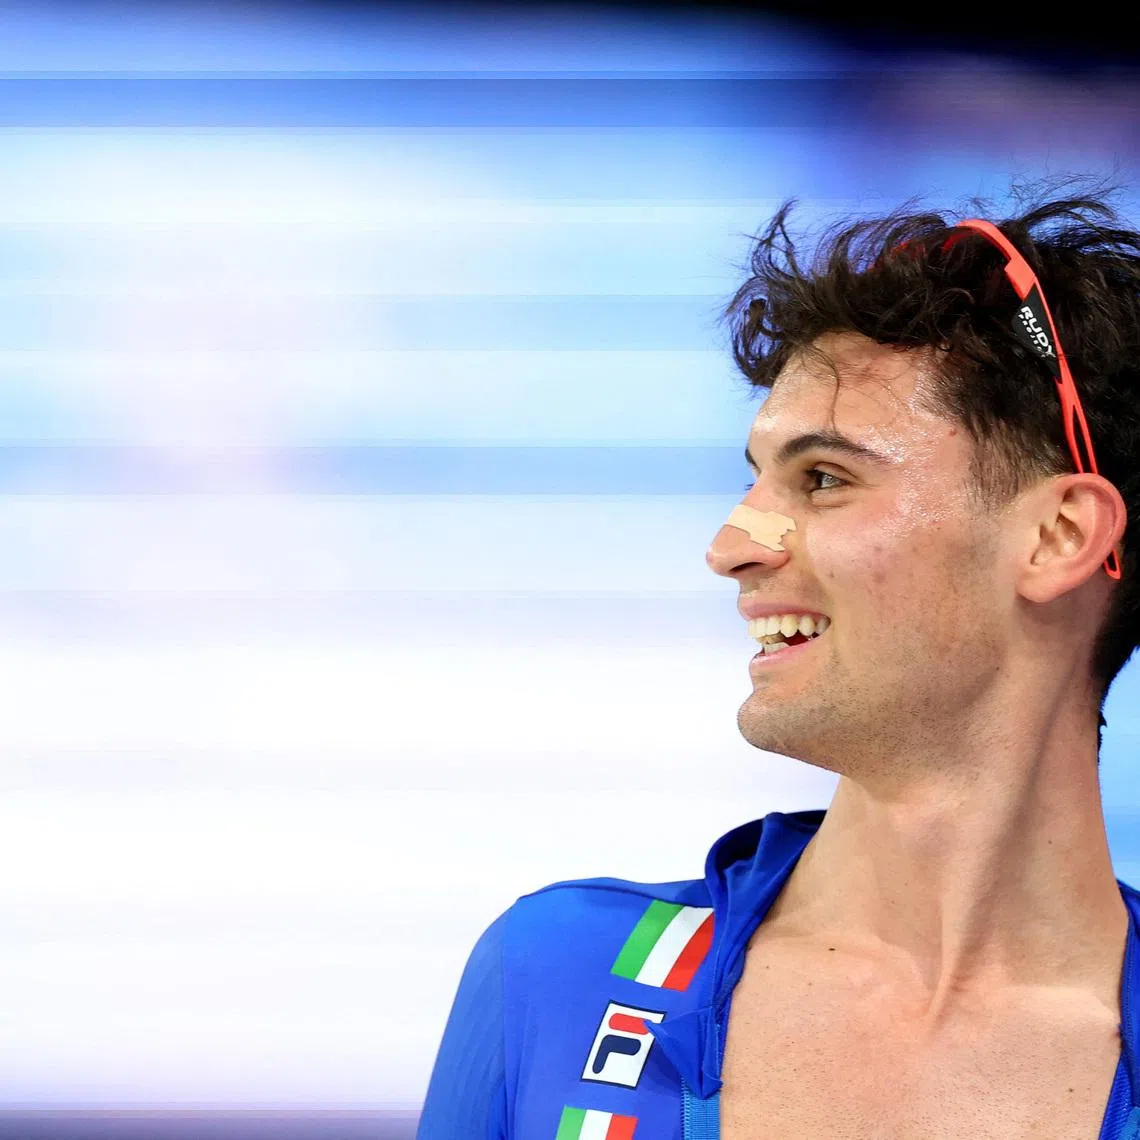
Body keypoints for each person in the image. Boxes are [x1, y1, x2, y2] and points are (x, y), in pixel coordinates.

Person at [416, 189, 1140, 1139]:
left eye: (825, 480)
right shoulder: (552, 977)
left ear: (1055, 536)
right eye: (754, 478)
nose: (732, 544)